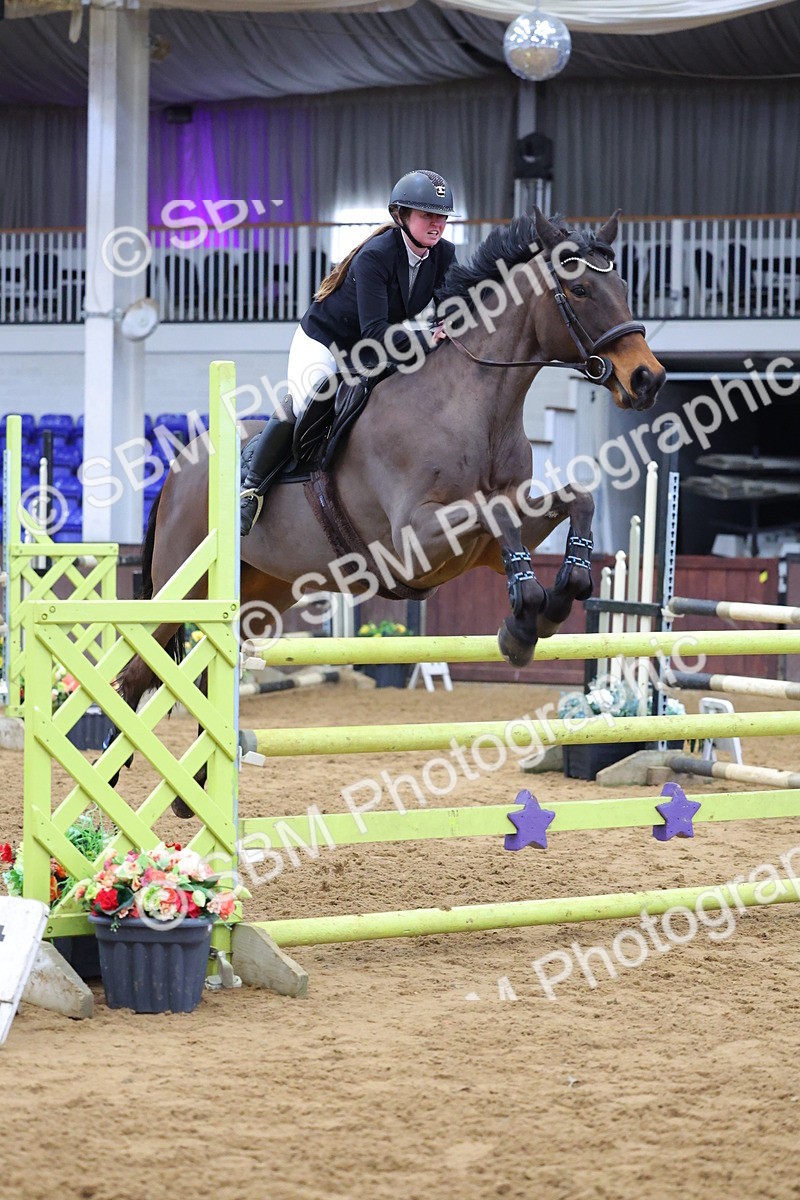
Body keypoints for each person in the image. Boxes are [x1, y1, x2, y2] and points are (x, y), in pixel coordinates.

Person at [240, 168, 459, 535]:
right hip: (326, 342)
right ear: (402, 216)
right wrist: (428, 337)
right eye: (427, 215)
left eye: (442, 217)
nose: (437, 224)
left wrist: (454, 321)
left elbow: (450, 307)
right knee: (306, 402)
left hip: (371, 349)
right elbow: (374, 331)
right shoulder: (375, 256)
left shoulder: (444, 255)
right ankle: (251, 489)